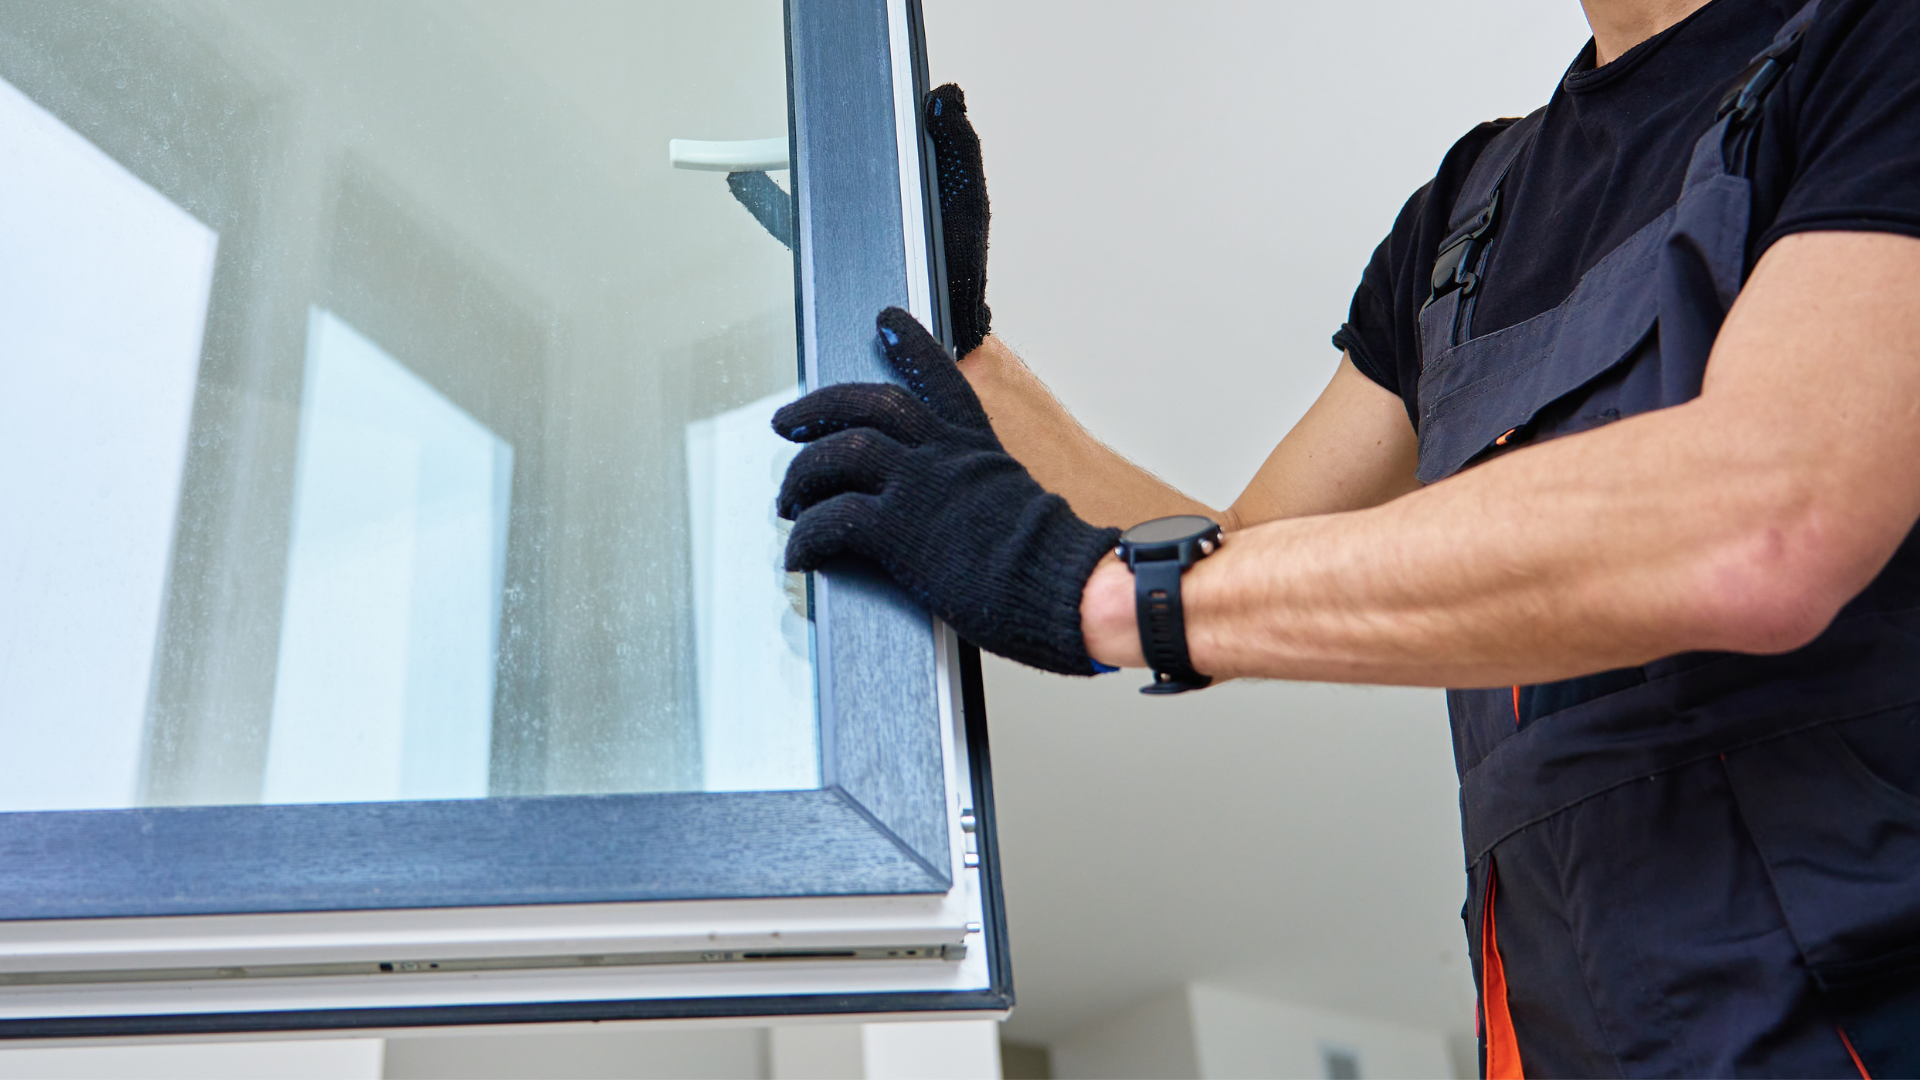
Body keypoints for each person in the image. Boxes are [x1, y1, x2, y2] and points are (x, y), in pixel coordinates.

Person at [771, 0, 1920, 1073]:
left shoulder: (1877, 46)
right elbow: (1239, 550)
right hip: (1566, 1021)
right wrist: (967, 352)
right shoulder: (1473, 207)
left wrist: (1111, 596)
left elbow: (1768, 517)